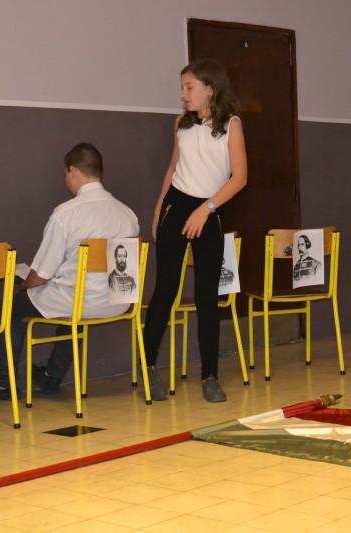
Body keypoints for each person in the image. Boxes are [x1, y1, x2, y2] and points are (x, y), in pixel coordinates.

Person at [0, 143, 139, 398]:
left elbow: (42, 273)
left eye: (66, 174)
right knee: (74, 298)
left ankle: (4, 382)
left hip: (78, 302)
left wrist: (24, 288)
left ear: (73, 171)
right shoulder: (127, 214)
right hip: (119, 303)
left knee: (11, 306)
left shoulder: (66, 213)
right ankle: (51, 377)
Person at [143, 58, 247, 403]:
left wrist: (207, 208)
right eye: (182, 88)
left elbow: (240, 178)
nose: (183, 95)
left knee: (206, 295)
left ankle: (210, 376)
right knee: (166, 289)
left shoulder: (231, 125)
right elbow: (173, 167)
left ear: (210, 90)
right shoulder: (181, 123)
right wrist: (159, 209)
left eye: (189, 88)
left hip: (209, 209)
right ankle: (148, 367)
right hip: (176, 205)